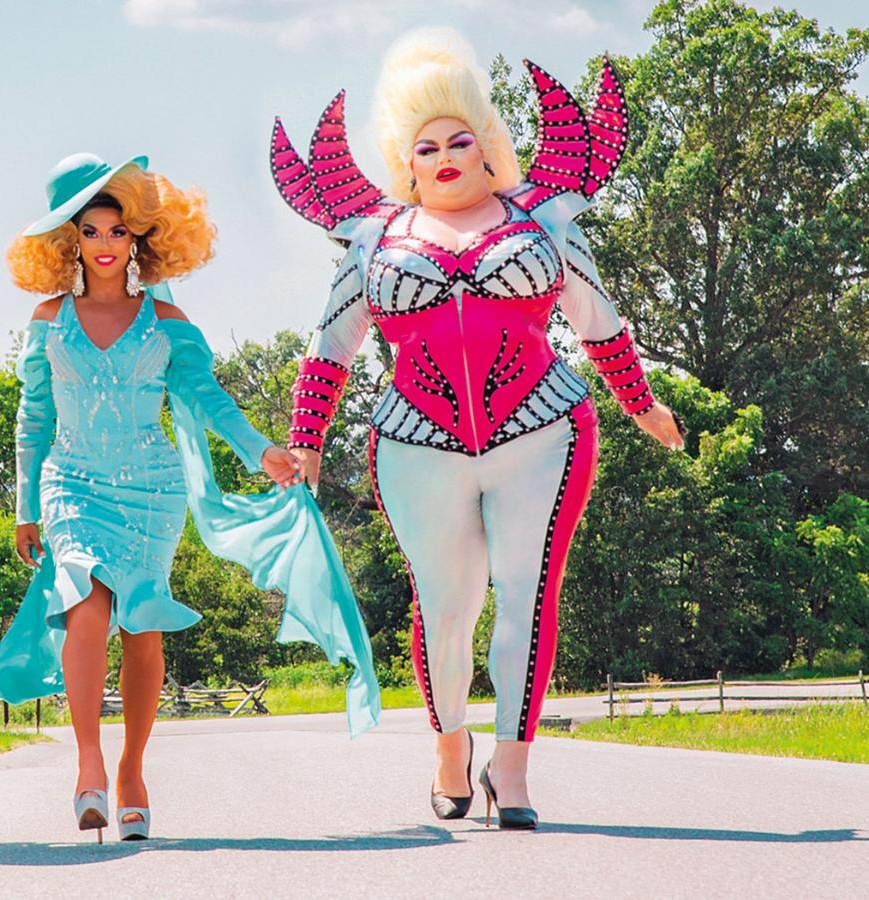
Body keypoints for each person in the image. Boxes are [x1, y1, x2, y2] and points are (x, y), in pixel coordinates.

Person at [270, 30, 684, 829]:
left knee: (528, 595)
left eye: (460, 140)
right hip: (416, 442)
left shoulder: (545, 220)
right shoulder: (374, 239)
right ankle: (450, 749)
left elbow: (597, 323)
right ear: (407, 162)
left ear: (488, 147)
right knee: (445, 604)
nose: (446, 156)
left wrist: (640, 403)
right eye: (427, 147)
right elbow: (330, 347)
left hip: (543, 431)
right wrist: (307, 440)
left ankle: (514, 768)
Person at [0, 153, 381, 842]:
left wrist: (262, 451)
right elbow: (33, 419)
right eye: (90, 231)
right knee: (84, 607)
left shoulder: (165, 319)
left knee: (142, 627)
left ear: (138, 238)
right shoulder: (49, 320)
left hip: (150, 490)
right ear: (69, 241)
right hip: (72, 483)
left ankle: (132, 771)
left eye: (117, 231)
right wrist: (26, 507)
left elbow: (207, 400)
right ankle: (88, 764)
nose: (105, 244)